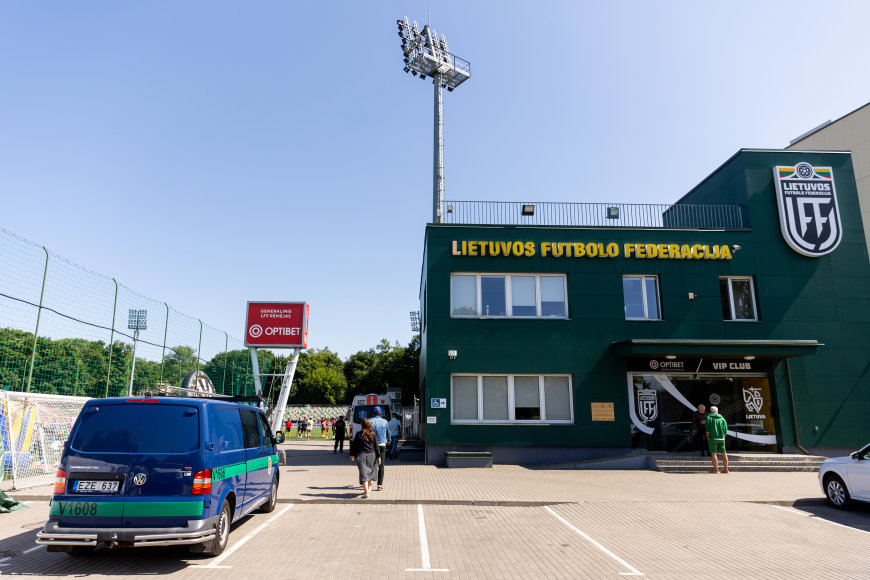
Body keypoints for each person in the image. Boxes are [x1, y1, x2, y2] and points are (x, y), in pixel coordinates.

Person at [349, 418, 381, 498]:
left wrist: (352, 454)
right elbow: (376, 446)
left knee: (364, 474)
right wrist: (378, 457)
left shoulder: (358, 434)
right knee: (369, 472)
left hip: (362, 456)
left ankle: (367, 491)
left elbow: (354, 445)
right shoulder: (373, 434)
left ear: (362, 425)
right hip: (372, 455)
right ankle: (367, 489)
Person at [369, 406, 390, 490]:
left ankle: (369, 484)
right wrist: (388, 440)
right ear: (380, 412)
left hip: (371, 446)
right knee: (381, 465)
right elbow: (388, 433)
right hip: (382, 445)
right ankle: (379, 485)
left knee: (370, 465)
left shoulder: (370, 421)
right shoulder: (385, 421)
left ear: (373, 412)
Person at [705, 406, 729, 473]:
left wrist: (708, 437)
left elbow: (707, 429)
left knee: (713, 454)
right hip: (722, 438)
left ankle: (716, 469)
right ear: (717, 411)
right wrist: (723, 435)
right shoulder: (722, 418)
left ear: (711, 411)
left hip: (713, 438)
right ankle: (726, 469)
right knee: (724, 453)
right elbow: (725, 429)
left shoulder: (709, 417)